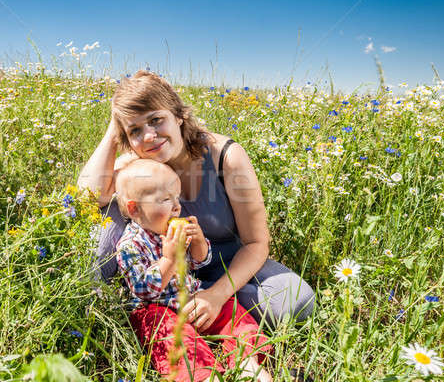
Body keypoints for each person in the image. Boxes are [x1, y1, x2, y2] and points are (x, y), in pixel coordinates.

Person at [78, 70, 314, 328]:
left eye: (156, 120)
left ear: (179, 115)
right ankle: (93, 297)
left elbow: (256, 242)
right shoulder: (141, 164)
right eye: (135, 130)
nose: (148, 136)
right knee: (110, 207)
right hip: (164, 270)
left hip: (227, 268)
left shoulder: (224, 156)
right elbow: (87, 197)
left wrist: (216, 295)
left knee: (295, 301)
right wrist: (117, 121)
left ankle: (191, 310)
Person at [115, 159, 272, 381]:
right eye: (166, 199)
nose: (177, 206)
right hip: (156, 310)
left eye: (176, 198)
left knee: (233, 312)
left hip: (190, 298)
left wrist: (198, 243)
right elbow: (143, 289)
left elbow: (200, 262)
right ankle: (200, 374)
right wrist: (169, 259)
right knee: (170, 337)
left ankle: (247, 361)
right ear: (135, 208)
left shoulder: (173, 228)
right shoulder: (130, 245)